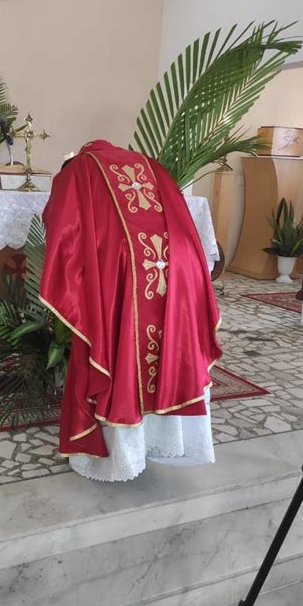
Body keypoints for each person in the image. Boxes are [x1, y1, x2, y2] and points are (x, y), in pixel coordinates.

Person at [39, 140, 222, 482]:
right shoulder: (150, 164)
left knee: (116, 343)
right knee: (172, 343)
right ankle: (167, 442)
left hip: (125, 265)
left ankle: (117, 457)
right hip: (179, 264)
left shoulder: (78, 168)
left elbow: (60, 225)